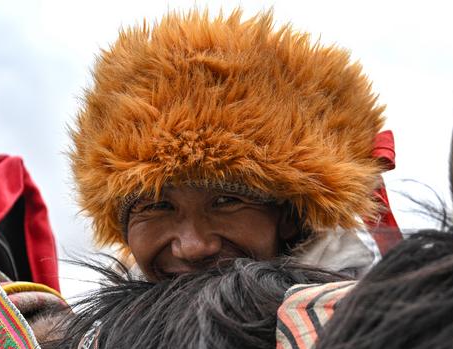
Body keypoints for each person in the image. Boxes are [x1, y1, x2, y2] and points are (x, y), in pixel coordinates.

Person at [69, 9, 399, 281]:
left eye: (226, 201)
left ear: (289, 217)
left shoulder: (370, 328)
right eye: (156, 206)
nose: (193, 247)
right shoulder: (96, 337)